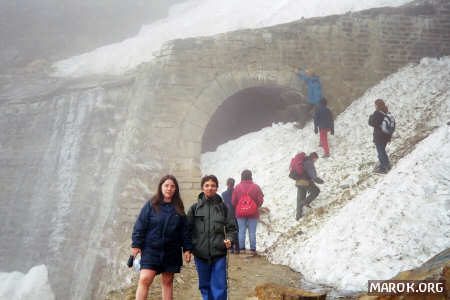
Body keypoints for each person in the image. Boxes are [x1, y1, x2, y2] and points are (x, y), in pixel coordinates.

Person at [131, 175, 192, 300]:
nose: (169, 188)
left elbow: (185, 231)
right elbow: (140, 224)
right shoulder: (151, 204)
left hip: (171, 250)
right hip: (151, 249)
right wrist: (136, 244)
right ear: (161, 187)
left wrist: (187, 249)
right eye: (166, 185)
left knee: (168, 281)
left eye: (172, 186)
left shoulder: (179, 208)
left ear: (175, 189)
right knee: (144, 279)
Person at [187, 175, 237, 300]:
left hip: (219, 253)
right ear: (202, 188)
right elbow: (187, 230)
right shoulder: (194, 208)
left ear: (217, 187)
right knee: (204, 286)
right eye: (207, 185)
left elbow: (232, 228)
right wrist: (188, 249)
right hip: (200, 254)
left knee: (220, 287)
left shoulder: (224, 208)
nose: (210, 188)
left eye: (213, 185)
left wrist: (230, 239)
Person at [231, 170, 264, 254]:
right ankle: (253, 249)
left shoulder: (237, 187)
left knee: (241, 231)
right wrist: (255, 206)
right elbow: (260, 200)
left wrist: (239, 205)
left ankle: (242, 248)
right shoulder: (256, 187)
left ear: (242, 176)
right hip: (253, 213)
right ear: (251, 176)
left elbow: (233, 202)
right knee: (252, 232)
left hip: (240, 213)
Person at [295, 152, 324, 220]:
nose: (315, 161)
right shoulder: (309, 163)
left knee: (300, 198)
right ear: (313, 158)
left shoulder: (303, 161)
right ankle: (305, 203)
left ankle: (298, 215)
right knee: (316, 191)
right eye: (315, 159)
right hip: (305, 182)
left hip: (298, 181)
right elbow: (313, 176)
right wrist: (319, 180)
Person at [368, 99, 393, 174]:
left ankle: (384, 168)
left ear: (377, 105)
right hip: (385, 135)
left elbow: (372, 123)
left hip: (379, 136)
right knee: (382, 151)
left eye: (375, 105)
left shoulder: (377, 113)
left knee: (381, 152)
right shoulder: (386, 112)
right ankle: (387, 165)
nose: (374, 106)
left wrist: (370, 117)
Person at [221, 178, 239, 254]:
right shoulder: (237, 193)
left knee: (229, 231)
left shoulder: (223, 194)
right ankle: (237, 249)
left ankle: (230, 248)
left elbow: (223, 205)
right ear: (233, 184)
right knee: (236, 231)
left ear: (227, 184)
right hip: (236, 214)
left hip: (227, 215)